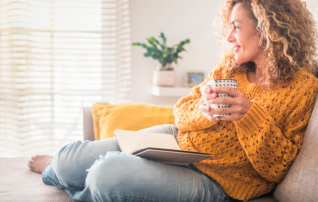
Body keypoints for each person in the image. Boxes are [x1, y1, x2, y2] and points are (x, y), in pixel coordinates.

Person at [28, 0, 318, 201]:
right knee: (68, 159)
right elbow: (182, 112)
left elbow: (278, 168)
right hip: (175, 142)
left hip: (218, 181)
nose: (229, 37)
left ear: (268, 30)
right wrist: (204, 112)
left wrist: (249, 116)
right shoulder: (231, 67)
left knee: (107, 175)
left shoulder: (302, 88)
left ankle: (82, 180)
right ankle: (60, 170)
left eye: (237, 27)